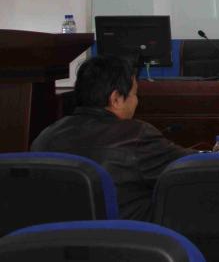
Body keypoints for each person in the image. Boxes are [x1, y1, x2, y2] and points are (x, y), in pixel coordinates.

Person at [30, 54, 195, 221]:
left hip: (55, 236)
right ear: (116, 99)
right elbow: (195, 167)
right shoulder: (135, 135)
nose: (136, 101)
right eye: (135, 94)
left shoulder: (46, 135)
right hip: (126, 235)